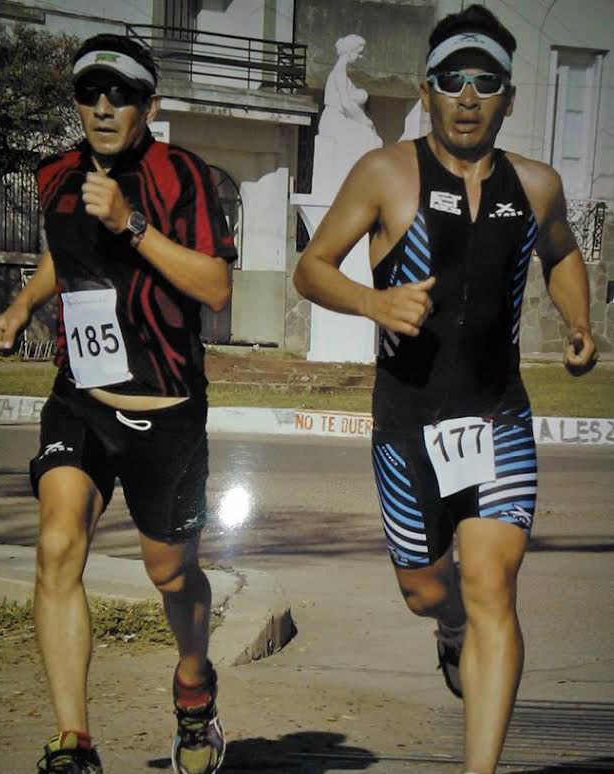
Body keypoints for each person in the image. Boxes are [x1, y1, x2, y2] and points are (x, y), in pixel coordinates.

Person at [293, 6, 597, 773]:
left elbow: (562, 253)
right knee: (428, 592)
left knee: (495, 584)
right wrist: (372, 303)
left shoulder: (537, 185)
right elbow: (312, 268)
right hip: (407, 426)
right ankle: (448, 624)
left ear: (508, 98)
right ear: (427, 90)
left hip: (498, 417)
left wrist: (580, 322)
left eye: (485, 81)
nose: (467, 95)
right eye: (451, 79)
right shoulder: (385, 173)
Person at [0, 33, 237, 774]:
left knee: (171, 575)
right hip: (81, 397)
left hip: (167, 409)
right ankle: (75, 742)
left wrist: (131, 222)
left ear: (148, 106)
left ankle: (194, 683)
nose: (103, 107)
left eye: (121, 94)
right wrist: (20, 307)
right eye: (89, 93)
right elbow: (60, 254)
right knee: (57, 545)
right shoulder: (56, 175)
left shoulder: (184, 176)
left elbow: (215, 288)